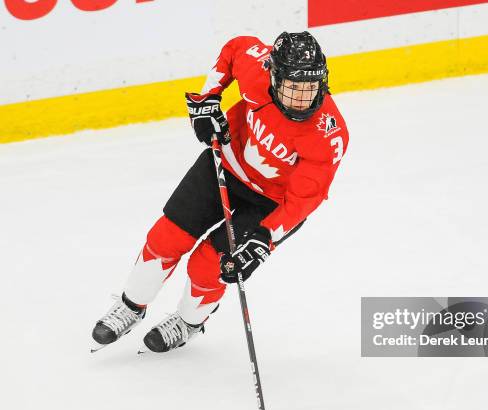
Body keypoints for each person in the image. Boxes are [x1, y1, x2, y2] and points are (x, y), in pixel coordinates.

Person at [91, 31, 349, 353]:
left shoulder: (329, 135)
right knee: (166, 237)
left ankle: (188, 322)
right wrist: (207, 99)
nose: (301, 99)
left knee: (210, 263)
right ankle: (131, 305)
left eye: (309, 89)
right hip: (225, 163)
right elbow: (235, 48)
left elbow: (303, 201)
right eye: (292, 87)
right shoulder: (257, 67)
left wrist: (264, 238)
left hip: (271, 203)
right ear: (273, 74)